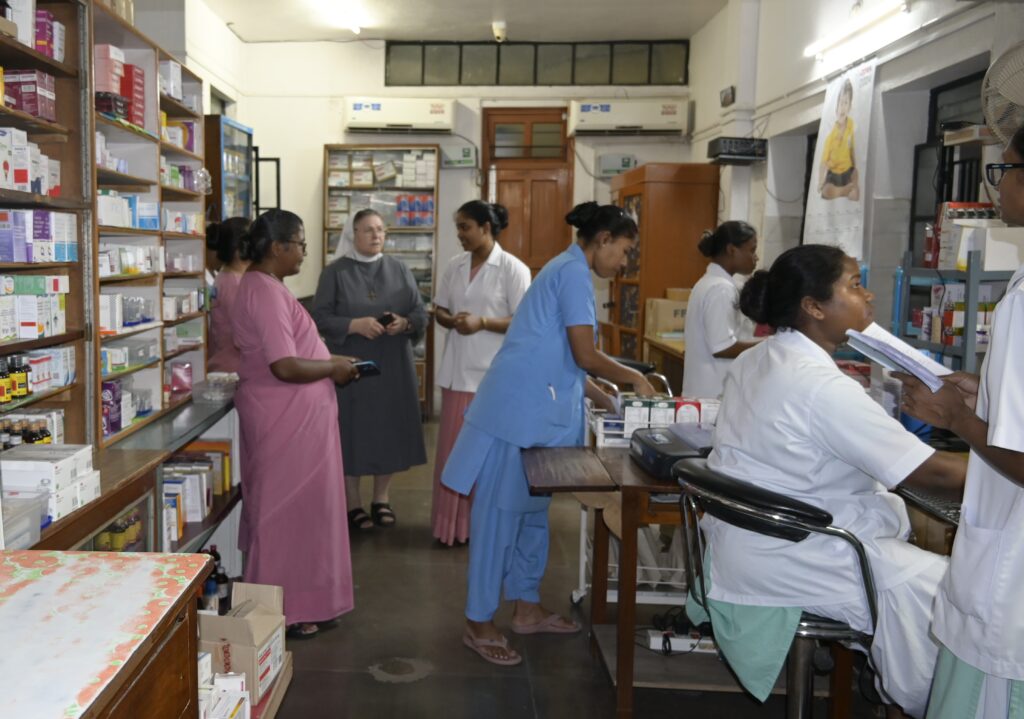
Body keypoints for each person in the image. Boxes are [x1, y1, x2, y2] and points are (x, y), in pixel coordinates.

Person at [698, 244, 965, 717]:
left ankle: (900, 691)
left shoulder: (759, 359)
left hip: (752, 543)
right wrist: (1002, 463)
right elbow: (933, 473)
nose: (870, 296)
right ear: (814, 307)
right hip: (803, 549)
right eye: (854, 285)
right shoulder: (820, 386)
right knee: (959, 600)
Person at [442, 201, 657, 667]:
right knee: (499, 518)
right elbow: (584, 353)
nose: (623, 263)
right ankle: (478, 621)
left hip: (540, 415)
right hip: (515, 415)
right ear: (602, 241)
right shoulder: (572, 273)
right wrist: (634, 381)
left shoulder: (567, 270)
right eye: (623, 251)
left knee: (532, 514)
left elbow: (562, 357)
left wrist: (609, 400)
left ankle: (526, 606)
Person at [897, 125, 1024, 719]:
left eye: (1004, 171)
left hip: (1011, 589)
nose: (997, 186)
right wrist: (986, 395)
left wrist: (957, 417)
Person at [230, 209, 358, 639]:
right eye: (300, 243)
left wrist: (332, 362)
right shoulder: (264, 291)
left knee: (308, 514)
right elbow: (283, 365)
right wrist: (331, 368)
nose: (304, 251)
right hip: (286, 420)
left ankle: (305, 602)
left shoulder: (270, 288)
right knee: (285, 515)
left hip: (299, 419)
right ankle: (282, 609)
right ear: (277, 246)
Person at [312, 208, 428, 531]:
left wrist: (404, 323)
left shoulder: (400, 268)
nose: (376, 236)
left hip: (393, 365)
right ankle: (353, 503)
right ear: (353, 234)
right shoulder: (335, 273)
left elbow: (420, 313)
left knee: (388, 431)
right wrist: (354, 325)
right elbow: (319, 318)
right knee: (353, 431)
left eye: (380, 230)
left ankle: (382, 498)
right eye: (368, 230)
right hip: (353, 367)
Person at [432, 200, 531, 546]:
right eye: (458, 227)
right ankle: (451, 527)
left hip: (492, 379)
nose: (459, 234)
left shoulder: (513, 269)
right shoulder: (455, 265)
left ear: (486, 228)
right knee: (453, 454)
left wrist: (483, 322)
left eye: (465, 227)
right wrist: (451, 320)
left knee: (487, 460)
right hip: (457, 374)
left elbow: (524, 320)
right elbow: (439, 307)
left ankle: (483, 529)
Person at [682, 220, 761, 398]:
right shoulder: (721, 289)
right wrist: (770, 343)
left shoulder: (710, 282)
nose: (755, 257)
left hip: (704, 391)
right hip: (713, 394)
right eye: (752, 250)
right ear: (732, 249)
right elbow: (722, 347)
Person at [208, 217, 251, 373]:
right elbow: (247, 333)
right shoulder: (233, 283)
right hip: (233, 369)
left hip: (227, 364)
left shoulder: (227, 277)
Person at [818, 78, 861, 201]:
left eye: (846, 103)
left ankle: (850, 189)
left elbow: (851, 148)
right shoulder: (831, 135)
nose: (842, 107)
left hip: (847, 170)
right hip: (834, 173)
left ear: (850, 106)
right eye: (840, 103)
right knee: (826, 190)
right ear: (836, 107)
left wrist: (854, 165)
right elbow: (823, 163)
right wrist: (821, 181)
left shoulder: (851, 125)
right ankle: (843, 191)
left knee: (855, 174)